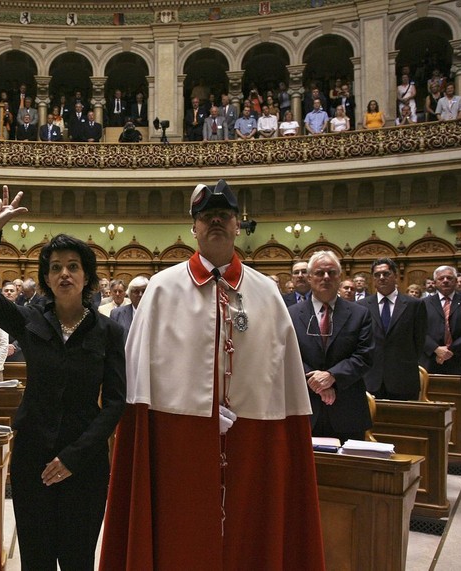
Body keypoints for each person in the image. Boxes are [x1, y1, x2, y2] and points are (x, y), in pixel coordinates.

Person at [101, 180, 325, 570]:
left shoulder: (266, 292)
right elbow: (137, 382)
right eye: (206, 216)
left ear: (239, 224)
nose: (216, 222)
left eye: (224, 215)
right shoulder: (161, 289)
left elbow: (285, 381)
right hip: (177, 445)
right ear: (194, 227)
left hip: (252, 442)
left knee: (249, 539)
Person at [0, 186, 126, 571]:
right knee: (36, 560)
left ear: (86, 275)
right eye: (55, 267)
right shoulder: (28, 320)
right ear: (46, 277)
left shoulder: (108, 332)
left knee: (76, 560)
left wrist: (73, 458)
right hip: (33, 458)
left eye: (73, 265)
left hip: (84, 463)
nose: (64, 273)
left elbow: (116, 402)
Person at [288, 250, 374, 442]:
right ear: (310, 278)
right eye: (319, 273)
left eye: (332, 272)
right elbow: (284, 355)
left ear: (340, 277)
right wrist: (316, 382)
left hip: (347, 410)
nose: (326, 277)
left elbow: (365, 355)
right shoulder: (291, 314)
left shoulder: (360, 314)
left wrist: (332, 376)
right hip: (305, 408)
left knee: (349, 471)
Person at [360, 258, 427, 400]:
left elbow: (419, 341)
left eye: (386, 274)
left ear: (395, 276)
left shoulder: (414, 305)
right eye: (377, 275)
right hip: (370, 380)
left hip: (403, 379)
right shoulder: (361, 306)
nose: (381, 278)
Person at [420, 265, 461, 376]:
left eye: (449, 278)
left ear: (456, 281)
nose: (445, 281)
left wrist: (448, 351)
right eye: (441, 278)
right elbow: (418, 331)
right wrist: (436, 349)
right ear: (435, 282)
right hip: (431, 359)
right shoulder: (423, 304)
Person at [110, 275, 148, 340]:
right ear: (130, 294)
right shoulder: (117, 313)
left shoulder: (156, 313)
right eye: (136, 291)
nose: (140, 295)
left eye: (144, 291)